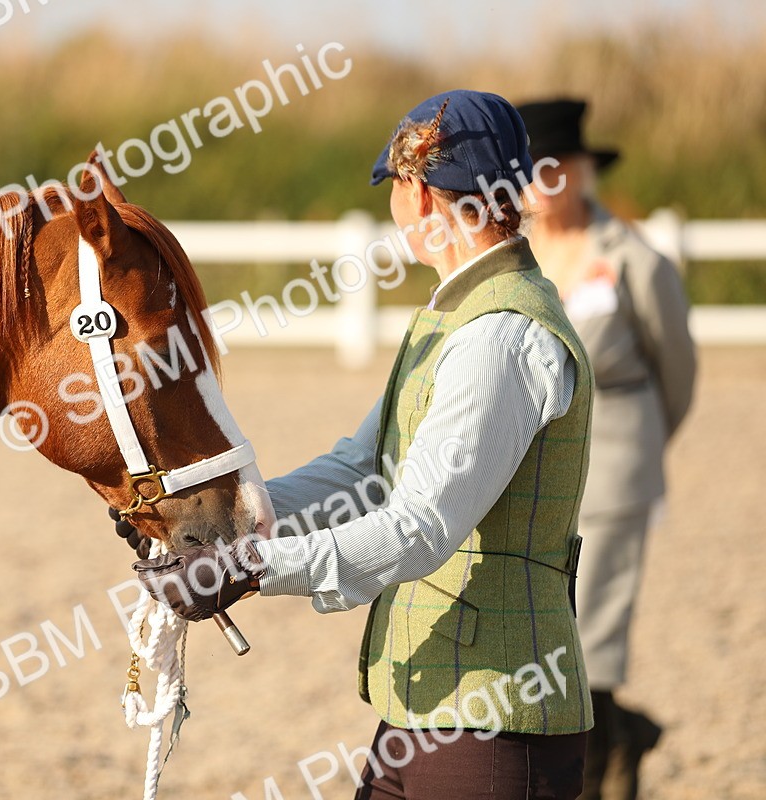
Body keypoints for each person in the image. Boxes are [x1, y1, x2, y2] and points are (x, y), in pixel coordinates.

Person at [125, 89, 596, 799]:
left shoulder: (501, 338)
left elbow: (419, 527)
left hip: (495, 724)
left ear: (424, 195)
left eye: (396, 187)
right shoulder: (453, 321)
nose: (394, 207)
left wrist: (249, 567)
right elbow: (359, 468)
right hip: (425, 712)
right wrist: (212, 524)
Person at [517, 98, 697, 800]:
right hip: (533, 469)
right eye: (534, 169)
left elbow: (675, 367)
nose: (546, 182)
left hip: (616, 458)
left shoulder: (634, 259)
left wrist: (640, 448)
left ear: (585, 170)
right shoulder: (518, 256)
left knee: (591, 631)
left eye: (560, 167)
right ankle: (627, 735)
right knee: (548, 629)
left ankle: (591, 776)